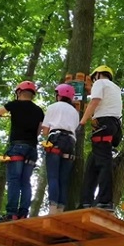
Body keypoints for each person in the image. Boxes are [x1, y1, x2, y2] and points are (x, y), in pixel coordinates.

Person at [0, 81, 44, 221]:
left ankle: (11, 213)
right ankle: (23, 213)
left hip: (17, 147)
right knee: (25, 181)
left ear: (19, 92)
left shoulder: (14, 105)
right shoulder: (39, 111)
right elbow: (39, 131)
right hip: (32, 149)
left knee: (14, 180)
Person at [79, 65, 123, 211]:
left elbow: (94, 101)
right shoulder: (115, 88)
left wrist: (83, 121)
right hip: (113, 126)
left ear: (97, 75)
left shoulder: (100, 83)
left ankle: (105, 201)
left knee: (104, 162)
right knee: (92, 162)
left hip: (104, 124)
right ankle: (86, 200)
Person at [41, 83, 80, 214]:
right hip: (70, 142)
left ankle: (52, 209)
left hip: (56, 139)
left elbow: (45, 131)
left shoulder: (53, 107)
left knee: (53, 177)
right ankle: (60, 210)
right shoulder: (75, 112)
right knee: (63, 179)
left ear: (59, 95)